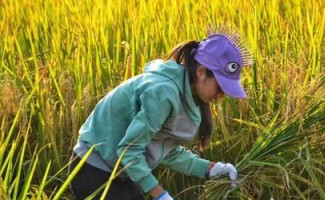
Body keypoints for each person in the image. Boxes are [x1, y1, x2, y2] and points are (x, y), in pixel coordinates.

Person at [68, 28, 253, 200]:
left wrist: (209, 169)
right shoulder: (162, 93)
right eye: (220, 87)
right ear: (201, 72)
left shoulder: (184, 95)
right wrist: (161, 195)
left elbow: (163, 151)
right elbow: (129, 151)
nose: (221, 95)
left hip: (118, 169)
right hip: (93, 168)